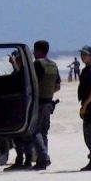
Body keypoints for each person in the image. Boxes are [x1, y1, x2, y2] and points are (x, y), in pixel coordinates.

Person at [28, 40, 61, 171]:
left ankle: (44, 157)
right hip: (48, 102)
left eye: (34, 50)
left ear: (39, 51)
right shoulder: (53, 65)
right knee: (44, 132)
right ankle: (42, 162)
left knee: (35, 131)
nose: (33, 52)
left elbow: (30, 83)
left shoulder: (37, 64)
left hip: (39, 102)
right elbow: (57, 86)